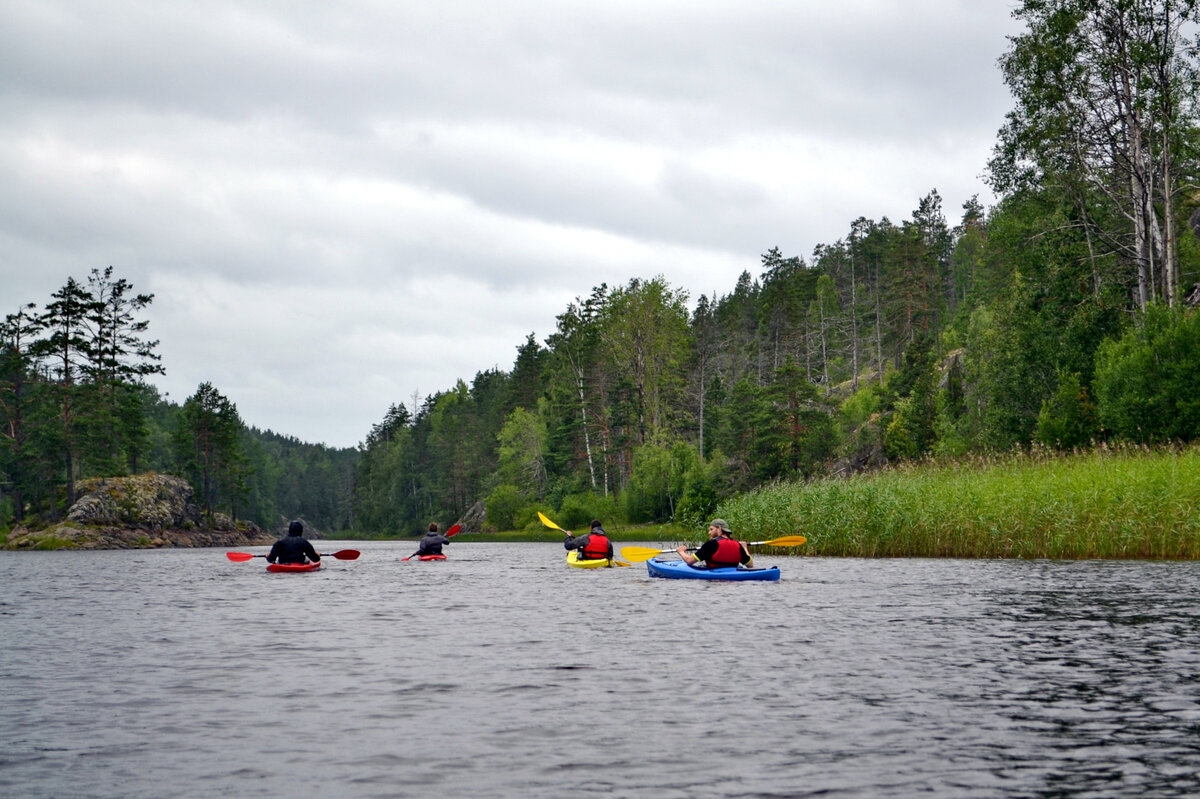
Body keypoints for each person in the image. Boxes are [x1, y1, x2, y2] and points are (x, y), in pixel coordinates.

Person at [677, 518, 752, 569]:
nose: (709, 533)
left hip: (715, 576)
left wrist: (681, 552)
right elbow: (750, 565)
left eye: (711, 529)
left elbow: (689, 561)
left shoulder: (711, 544)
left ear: (719, 529)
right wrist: (745, 548)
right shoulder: (737, 544)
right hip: (734, 574)